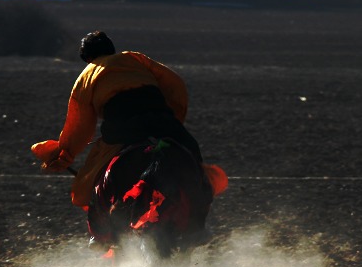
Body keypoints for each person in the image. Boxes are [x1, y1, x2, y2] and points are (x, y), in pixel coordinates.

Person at [31, 31, 226, 209]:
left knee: (91, 180)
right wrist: (175, 118)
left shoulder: (86, 76)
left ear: (88, 58)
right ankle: (199, 210)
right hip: (162, 121)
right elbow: (174, 84)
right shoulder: (135, 58)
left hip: (123, 129)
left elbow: (79, 126)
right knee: (191, 154)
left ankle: (100, 228)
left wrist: (65, 154)